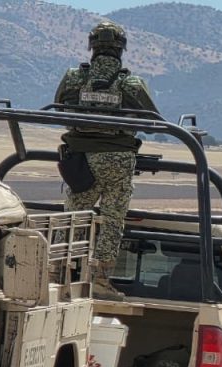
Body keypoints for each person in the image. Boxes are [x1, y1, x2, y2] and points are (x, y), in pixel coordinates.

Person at [54, 21, 160, 301]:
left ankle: (54, 275)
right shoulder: (131, 84)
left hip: (80, 163)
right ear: (121, 50)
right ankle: (100, 280)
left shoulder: (74, 78)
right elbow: (153, 121)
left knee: (73, 218)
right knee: (112, 219)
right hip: (118, 162)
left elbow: (59, 108)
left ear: (92, 47)